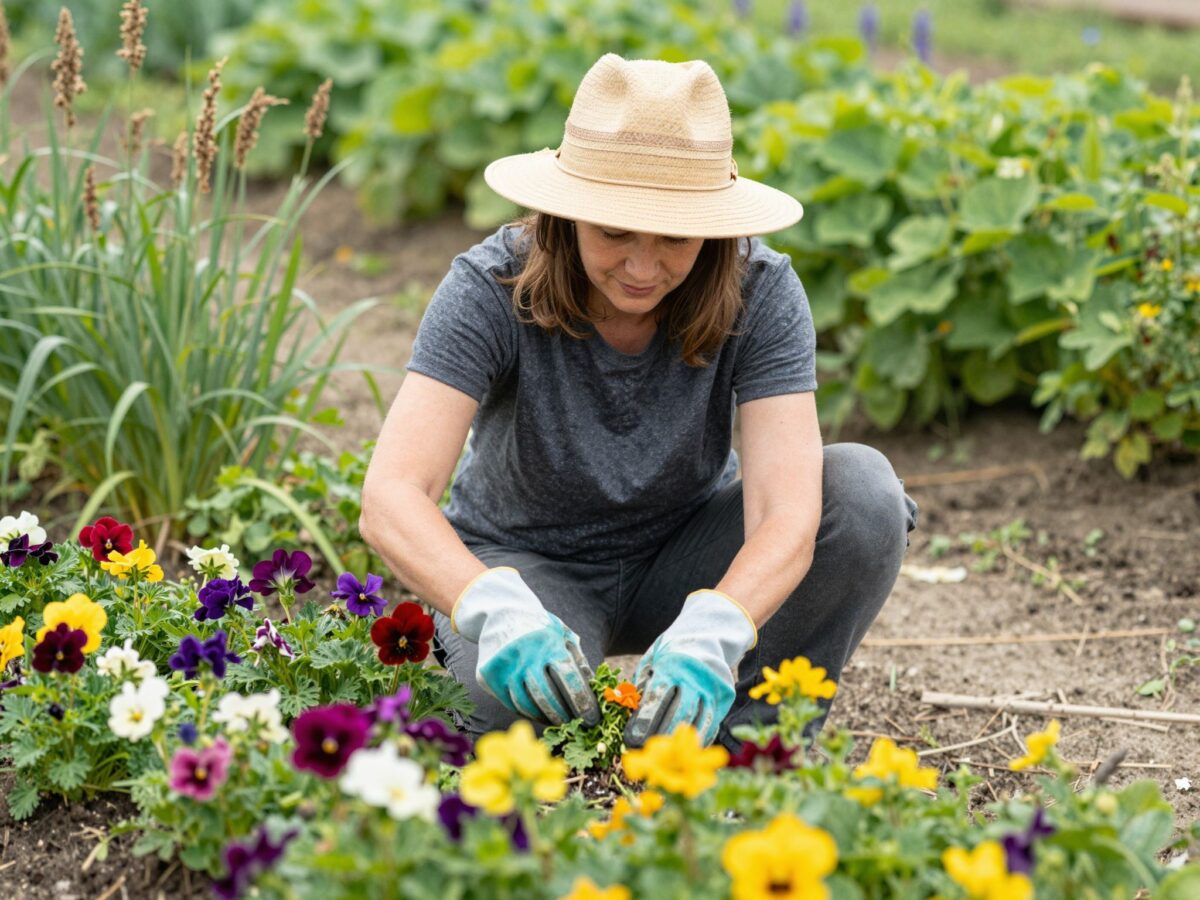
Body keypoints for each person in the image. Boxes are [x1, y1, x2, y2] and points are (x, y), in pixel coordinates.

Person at [359, 53, 918, 752]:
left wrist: (721, 622)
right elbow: (391, 496)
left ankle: (742, 749)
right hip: (530, 566)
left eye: (676, 238)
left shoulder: (762, 291)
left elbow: (787, 513)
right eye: (615, 232)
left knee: (863, 492)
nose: (644, 267)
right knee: (494, 720)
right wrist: (491, 608)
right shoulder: (489, 288)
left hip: (687, 555)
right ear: (566, 216)